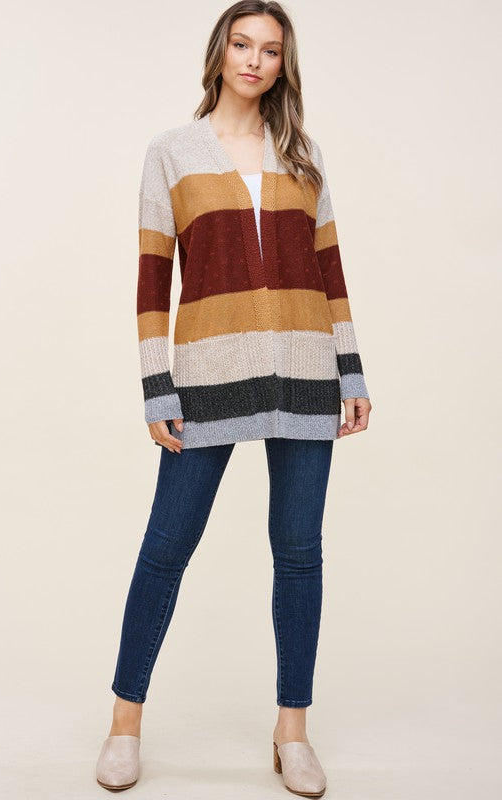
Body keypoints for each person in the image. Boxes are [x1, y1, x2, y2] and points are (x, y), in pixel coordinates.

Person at [96, 1, 372, 795]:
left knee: (299, 552)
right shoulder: (171, 153)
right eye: (242, 44)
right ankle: (124, 723)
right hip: (206, 376)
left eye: (270, 50)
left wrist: (351, 372)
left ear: (284, 66)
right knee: (166, 548)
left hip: (306, 369)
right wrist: (157, 386)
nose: (254, 60)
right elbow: (152, 279)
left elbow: (329, 271)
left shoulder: (303, 154)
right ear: (220, 52)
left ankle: (292, 733)